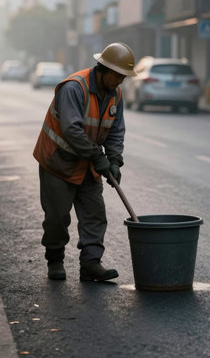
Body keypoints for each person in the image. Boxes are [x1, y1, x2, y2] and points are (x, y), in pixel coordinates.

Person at [33, 43, 136, 282]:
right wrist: (98, 157)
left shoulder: (116, 94)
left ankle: (91, 263)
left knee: (95, 215)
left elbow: (116, 132)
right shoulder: (73, 88)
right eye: (118, 76)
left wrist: (114, 161)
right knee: (57, 217)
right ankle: (55, 260)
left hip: (87, 165)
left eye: (124, 77)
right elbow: (72, 130)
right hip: (58, 162)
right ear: (103, 69)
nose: (120, 81)